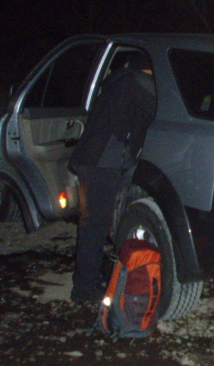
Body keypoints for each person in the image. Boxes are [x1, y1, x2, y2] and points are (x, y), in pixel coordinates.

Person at [68, 53, 156, 303]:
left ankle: (91, 277)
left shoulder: (118, 81)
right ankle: (83, 289)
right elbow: (159, 108)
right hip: (100, 163)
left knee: (94, 223)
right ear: (147, 70)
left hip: (93, 161)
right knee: (94, 226)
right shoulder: (135, 82)